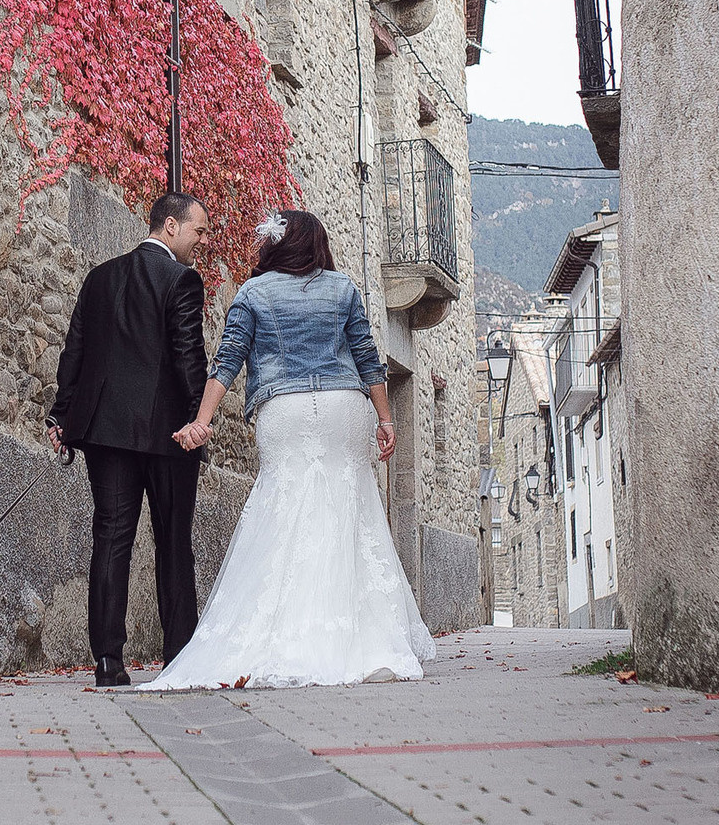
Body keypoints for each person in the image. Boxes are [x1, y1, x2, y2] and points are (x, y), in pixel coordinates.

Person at [147, 209, 434, 689]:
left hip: (285, 410)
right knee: (351, 511)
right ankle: (363, 639)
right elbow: (368, 358)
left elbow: (227, 361)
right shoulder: (343, 288)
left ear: (276, 243)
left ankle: (289, 634)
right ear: (317, 244)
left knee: (284, 510)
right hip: (344, 407)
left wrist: (202, 421)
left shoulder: (253, 292)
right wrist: (386, 419)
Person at [47, 192, 209, 688]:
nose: (203, 241)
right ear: (170, 226)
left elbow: (74, 352)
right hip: (168, 434)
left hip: (106, 432)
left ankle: (107, 662)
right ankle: (178, 658)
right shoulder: (181, 280)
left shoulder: (99, 277)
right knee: (173, 540)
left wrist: (61, 416)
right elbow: (189, 357)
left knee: (111, 538)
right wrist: (198, 420)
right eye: (199, 230)